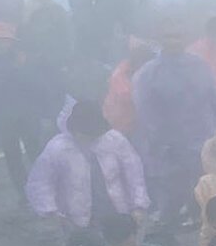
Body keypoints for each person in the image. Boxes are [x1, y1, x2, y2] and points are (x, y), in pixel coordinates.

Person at [133, 23, 216, 226]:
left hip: (204, 139)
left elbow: (215, 96)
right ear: (160, 39)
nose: (173, 41)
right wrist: (160, 143)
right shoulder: (148, 74)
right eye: (168, 36)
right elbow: (146, 114)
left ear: (185, 38)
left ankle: (207, 224)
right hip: (170, 146)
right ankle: (169, 232)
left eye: (177, 36)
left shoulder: (199, 65)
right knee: (174, 193)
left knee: (207, 188)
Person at [25, 98, 148, 232]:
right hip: (77, 221)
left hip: (117, 211)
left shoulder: (115, 141)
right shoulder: (58, 149)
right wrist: (50, 211)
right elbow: (42, 182)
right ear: (75, 129)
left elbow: (134, 173)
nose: (91, 138)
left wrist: (138, 205)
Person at [0, 21, 48, 192]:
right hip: (3, 118)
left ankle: (46, 188)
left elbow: (39, 86)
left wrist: (43, 111)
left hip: (27, 114)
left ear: (12, 42)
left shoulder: (24, 60)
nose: (0, 45)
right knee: (13, 157)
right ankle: (24, 194)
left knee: (36, 153)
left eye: (4, 40)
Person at [20, 0, 75, 92]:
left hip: (49, 61)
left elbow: (67, 37)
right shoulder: (29, 10)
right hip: (43, 61)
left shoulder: (55, 11)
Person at [101, 38, 150, 135]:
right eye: (138, 54)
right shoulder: (120, 72)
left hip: (136, 126)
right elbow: (127, 97)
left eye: (144, 55)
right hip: (117, 125)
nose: (141, 58)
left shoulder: (147, 71)